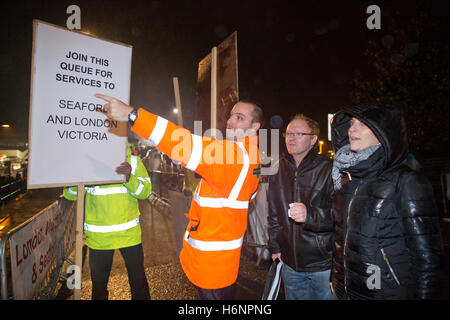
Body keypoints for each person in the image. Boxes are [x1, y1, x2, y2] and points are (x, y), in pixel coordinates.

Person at [96, 93, 263, 300]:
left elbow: (182, 143)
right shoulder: (252, 156)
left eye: (239, 118)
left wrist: (133, 115)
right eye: (231, 116)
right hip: (222, 263)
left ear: (255, 127)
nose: (229, 122)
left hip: (211, 266)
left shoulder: (233, 155)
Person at [330, 102, 444, 299]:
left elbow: (428, 259)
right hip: (348, 292)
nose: (352, 129)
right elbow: (342, 238)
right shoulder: (349, 179)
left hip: (385, 293)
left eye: (363, 124)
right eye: (351, 123)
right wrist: (338, 280)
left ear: (384, 133)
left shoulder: (407, 181)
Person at [63, 144, 151, 300]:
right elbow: (69, 194)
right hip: (99, 238)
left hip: (129, 235)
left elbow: (145, 192)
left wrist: (130, 177)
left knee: (139, 285)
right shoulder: (87, 162)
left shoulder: (134, 161)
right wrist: (80, 179)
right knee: (99, 288)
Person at [268, 114, 334, 300]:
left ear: (313, 139)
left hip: (322, 264)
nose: (291, 137)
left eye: (298, 133)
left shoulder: (329, 169)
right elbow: (273, 213)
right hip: (290, 264)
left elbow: (342, 216)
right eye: (288, 133)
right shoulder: (278, 168)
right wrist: (274, 246)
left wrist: (310, 215)